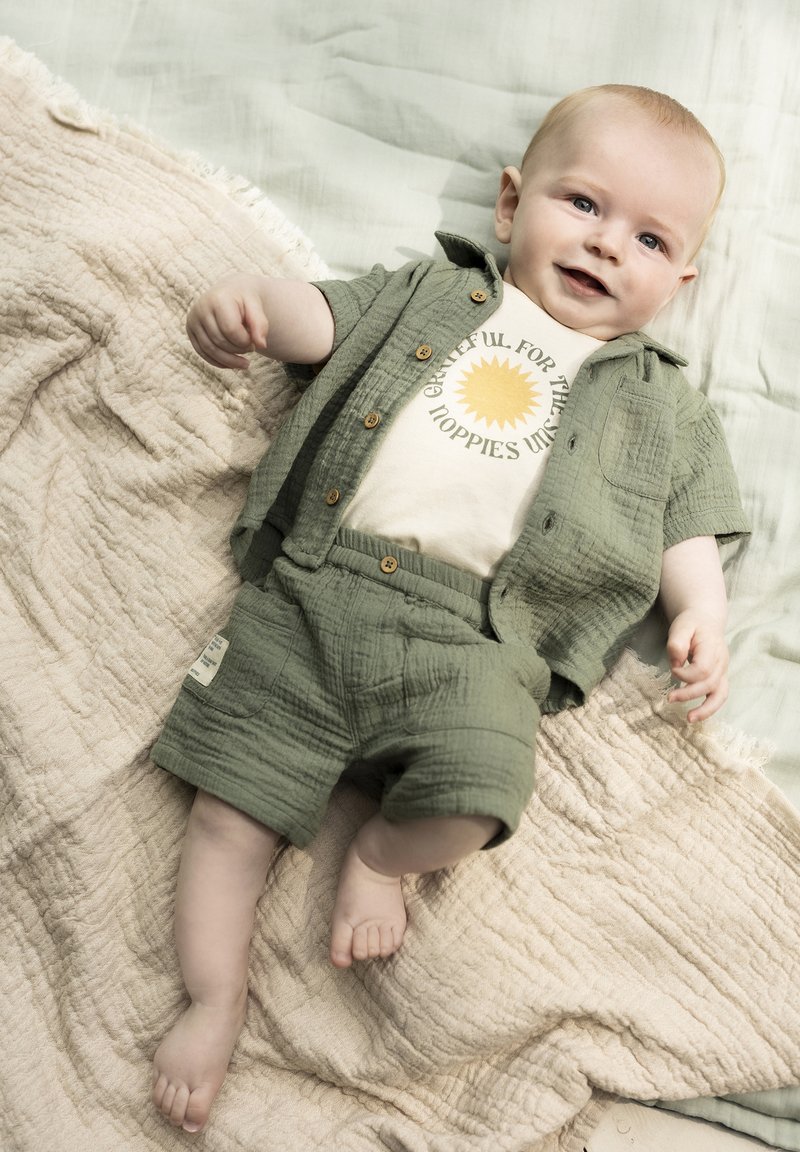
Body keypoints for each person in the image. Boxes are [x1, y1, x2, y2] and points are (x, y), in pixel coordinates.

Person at [150, 84, 749, 1132]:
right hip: (315, 595)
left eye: (647, 238)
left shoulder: (661, 404)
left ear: (680, 279)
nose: (607, 246)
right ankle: (213, 997)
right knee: (224, 813)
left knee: (480, 792)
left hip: (479, 645)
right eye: (582, 205)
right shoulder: (432, 295)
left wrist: (698, 605)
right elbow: (322, 317)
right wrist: (256, 304)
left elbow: (683, 519)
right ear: (510, 204)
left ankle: (380, 856)